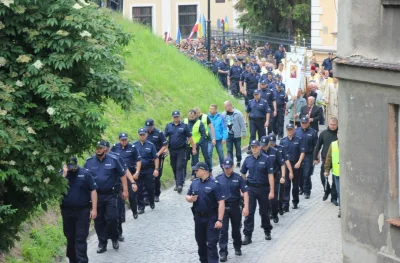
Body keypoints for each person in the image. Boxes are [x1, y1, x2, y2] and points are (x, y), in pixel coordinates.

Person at [84, 140, 128, 253]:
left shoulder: (113, 160)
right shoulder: (89, 162)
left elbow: (122, 175)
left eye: (100, 148)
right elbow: (84, 180)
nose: (98, 150)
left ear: (105, 148)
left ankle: (114, 238)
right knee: (98, 220)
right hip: (96, 196)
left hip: (111, 195)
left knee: (112, 218)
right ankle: (102, 243)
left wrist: (125, 190)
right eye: (97, 148)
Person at [186, 162, 225, 263]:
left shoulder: (215, 184)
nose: (195, 172)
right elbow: (187, 196)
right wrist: (190, 199)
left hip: (211, 217)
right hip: (198, 217)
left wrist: (220, 220)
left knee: (211, 244)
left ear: (203, 170)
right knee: (201, 243)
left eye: (197, 170)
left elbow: (221, 202)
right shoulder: (194, 183)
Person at [61, 156, 97, 263]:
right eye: (69, 166)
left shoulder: (85, 173)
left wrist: (94, 209)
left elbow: (93, 190)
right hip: (67, 212)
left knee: (80, 239)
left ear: (77, 163)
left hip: (82, 211)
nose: (72, 168)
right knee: (70, 239)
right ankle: (72, 260)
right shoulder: (62, 174)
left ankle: (82, 261)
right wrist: (63, 175)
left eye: (73, 166)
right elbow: (57, 189)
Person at [241, 140, 275, 244]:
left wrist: (272, 190)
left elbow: (270, 175)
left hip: (264, 189)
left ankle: (267, 230)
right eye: (252, 147)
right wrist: (244, 187)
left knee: (264, 212)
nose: (254, 149)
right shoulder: (248, 160)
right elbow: (242, 174)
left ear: (259, 147)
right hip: (251, 189)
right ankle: (248, 235)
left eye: (255, 147)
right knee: (249, 212)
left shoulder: (266, 159)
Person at [216, 158, 249, 261]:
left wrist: (246, 206)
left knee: (236, 229)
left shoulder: (238, 178)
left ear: (233, 166)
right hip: (223, 207)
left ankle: (237, 247)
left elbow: (246, 192)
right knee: (223, 231)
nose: (227, 170)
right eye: (225, 168)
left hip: (235, 206)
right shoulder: (218, 179)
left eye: (229, 168)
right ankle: (223, 252)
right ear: (222, 167)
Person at [105, 141, 137, 242]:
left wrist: (132, 182)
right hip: (103, 191)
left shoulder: (116, 158)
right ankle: (107, 235)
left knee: (118, 213)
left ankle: (118, 233)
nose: (104, 152)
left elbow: (125, 170)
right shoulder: (95, 160)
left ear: (109, 149)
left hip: (116, 189)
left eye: (106, 150)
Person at [165, 110, 197, 193]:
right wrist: (165, 148)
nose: (176, 118)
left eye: (177, 116)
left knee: (180, 166)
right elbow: (164, 139)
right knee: (174, 166)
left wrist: (194, 148)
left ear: (180, 117)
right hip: (172, 150)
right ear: (172, 117)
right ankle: (178, 182)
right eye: (175, 117)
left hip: (181, 150)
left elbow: (190, 137)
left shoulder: (184, 126)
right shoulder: (168, 126)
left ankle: (179, 185)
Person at [111, 133, 142, 219]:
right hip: (119, 175)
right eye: (122, 140)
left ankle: (134, 210)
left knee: (131, 195)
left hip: (130, 174)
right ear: (119, 140)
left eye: (125, 139)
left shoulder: (132, 147)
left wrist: (137, 172)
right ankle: (122, 216)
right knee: (120, 196)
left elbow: (138, 160)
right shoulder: (115, 147)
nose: (124, 141)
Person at [133, 128, 159, 214]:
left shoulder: (151, 145)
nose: (142, 136)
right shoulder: (134, 145)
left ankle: (151, 200)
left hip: (148, 169)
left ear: (146, 135)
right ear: (138, 135)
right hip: (138, 170)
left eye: (143, 134)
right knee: (139, 189)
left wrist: (156, 169)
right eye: (140, 135)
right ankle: (141, 207)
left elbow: (156, 158)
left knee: (150, 187)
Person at [260, 136, 285, 223]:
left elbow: (282, 164)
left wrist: (283, 176)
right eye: (262, 146)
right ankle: (266, 217)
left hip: (275, 178)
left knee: (274, 199)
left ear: (269, 144)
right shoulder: (259, 153)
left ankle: (274, 213)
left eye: (265, 145)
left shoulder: (275, 151)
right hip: (264, 179)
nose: (263, 147)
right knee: (265, 200)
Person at [313, 117, 339, 205]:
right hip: (325, 159)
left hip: (336, 160)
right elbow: (318, 146)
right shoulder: (323, 134)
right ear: (328, 124)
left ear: (337, 125)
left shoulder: (339, 134)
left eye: (334, 125)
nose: (332, 126)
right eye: (331, 124)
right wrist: (315, 158)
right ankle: (327, 190)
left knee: (335, 180)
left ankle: (334, 197)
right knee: (323, 176)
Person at [280, 124, 304, 211]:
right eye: (288, 130)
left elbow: (302, 152)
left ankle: (295, 202)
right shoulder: (283, 141)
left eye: (291, 129)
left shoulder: (298, 140)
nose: (290, 131)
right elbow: (280, 154)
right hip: (286, 166)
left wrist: (299, 162)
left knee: (295, 185)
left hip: (296, 165)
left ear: (294, 130)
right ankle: (285, 204)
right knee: (286, 185)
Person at [145, 118, 168, 202]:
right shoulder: (144, 133)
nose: (148, 128)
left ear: (153, 126)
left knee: (156, 177)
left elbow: (164, 145)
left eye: (150, 127)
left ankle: (156, 194)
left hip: (157, 158)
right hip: (147, 158)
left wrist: (158, 153)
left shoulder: (159, 133)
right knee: (147, 177)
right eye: (147, 127)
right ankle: (147, 196)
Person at [295, 117, 318, 199]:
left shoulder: (313, 132)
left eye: (305, 123)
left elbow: (316, 146)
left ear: (308, 123)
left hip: (308, 155)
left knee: (307, 174)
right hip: (298, 155)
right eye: (302, 123)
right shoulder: (296, 131)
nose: (304, 124)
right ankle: (301, 188)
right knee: (299, 173)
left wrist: (316, 157)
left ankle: (307, 190)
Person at [221, 101, 247, 167]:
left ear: (230, 106)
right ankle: (230, 163)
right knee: (229, 150)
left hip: (236, 135)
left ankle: (238, 161)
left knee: (238, 149)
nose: (225, 108)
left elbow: (242, 124)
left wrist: (243, 133)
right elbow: (222, 125)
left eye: (226, 107)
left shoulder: (238, 113)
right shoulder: (223, 114)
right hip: (228, 135)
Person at [245, 89, 271, 154]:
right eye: (255, 95)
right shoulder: (251, 102)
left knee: (261, 135)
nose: (256, 96)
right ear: (253, 95)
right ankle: (251, 148)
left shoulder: (264, 102)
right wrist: (245, 120)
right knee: (252, 134)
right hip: (252, 121)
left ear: (259, 94)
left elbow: (268, 112)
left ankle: (262, 148)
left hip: (261, 121)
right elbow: (247, 111)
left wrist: (267, 121)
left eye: (257, 94)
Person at [184, 110, 207, 179]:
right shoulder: (184, 121)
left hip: (195, 145)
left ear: (196, 115)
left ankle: (194, 174)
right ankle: (183, 176)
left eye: (192, 117)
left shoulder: (200, 123)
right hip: (186, 145)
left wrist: (198, 143)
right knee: (184, 161)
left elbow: (203, 135)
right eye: (189, 116)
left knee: (195, 161)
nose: (190, 118)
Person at [194, 107, 214, 173]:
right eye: (195, 114)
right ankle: (195, 172)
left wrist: (213, 138)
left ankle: (209, 170)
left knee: (206, 155)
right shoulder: (193, 118)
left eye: (196, 114)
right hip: (196, 140)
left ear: (199, 112)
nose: (195, 115)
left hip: (204, 139)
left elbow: (211, 127)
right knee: (195, 157)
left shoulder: (205, 117)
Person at [208, 105, 228, 170]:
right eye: (210, 108)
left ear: (216, 110)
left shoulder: (221, 117)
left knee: (220, 153)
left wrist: (224, 138)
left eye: (212, 109)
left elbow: (224, 128)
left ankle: (223, 166)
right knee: (209, 153)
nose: (210, 110)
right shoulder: (207, 117)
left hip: (219, 139)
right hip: (210, 139)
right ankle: (209, 169)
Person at [324, 139, 340, 218]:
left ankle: (342, 208)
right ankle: (341, 209)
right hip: (337, 173)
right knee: (339, 191)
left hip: (346, 174)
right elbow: (329, 158)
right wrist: (327, 170)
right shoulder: (333, 144)